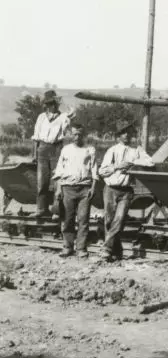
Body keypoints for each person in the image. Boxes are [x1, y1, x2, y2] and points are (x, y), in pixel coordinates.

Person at [97, 122, 155, 261]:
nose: (127, 135)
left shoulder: (137, 150)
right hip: (110, 189)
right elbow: (102, 171)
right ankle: (117, 251)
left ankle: (106, 249)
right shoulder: (112, 150)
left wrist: (132, 163)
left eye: (129, 132)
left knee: (120, 219)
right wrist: (117, 166)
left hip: (126, 191)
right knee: (109, 221)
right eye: (123, 132)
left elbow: (150, 162)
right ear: (118, 136)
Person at [54, 121, 96, 258]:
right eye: (74, 134)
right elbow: (60, 169)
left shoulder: (90, 149)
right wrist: (59, 189)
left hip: (85, 189)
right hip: (68, 188)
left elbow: (94, 170)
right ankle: (67, 247)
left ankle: (81, 248)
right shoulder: (66, 149)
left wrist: (93, 187)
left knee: (83, 220)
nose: (77, 137)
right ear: (71, 135)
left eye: (79, 134)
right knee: (68, 219)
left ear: (83, 134)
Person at [31, 90, 73, 218]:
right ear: (46, 105)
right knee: (42, 181)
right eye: (49, 104)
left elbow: (70, 118)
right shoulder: (41, 117)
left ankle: (56, 210)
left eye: (54, 103)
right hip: (42, 149)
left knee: (57, 181)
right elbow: (36, 138)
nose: (52, 106)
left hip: (57, 149)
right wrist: (34, 154)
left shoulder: (63, 117)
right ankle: (41, 209)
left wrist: (66, 108)